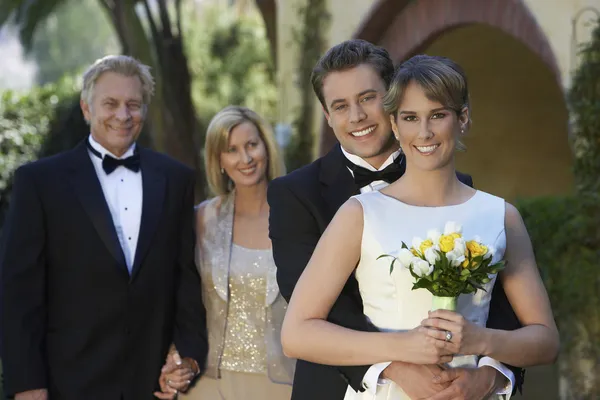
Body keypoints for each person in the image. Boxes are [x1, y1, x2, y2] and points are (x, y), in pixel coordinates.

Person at [280, 54, 560, 399]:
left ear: (463, 119)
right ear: (395, 125)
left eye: (438, 115)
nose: (424, 133)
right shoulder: (358, 214)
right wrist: (404, 347)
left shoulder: (501, 215)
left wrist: (483, 343)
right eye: (410, 118)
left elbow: (546, 341)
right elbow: (296, 334)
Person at [0, 55, 208, 400]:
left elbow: (184, 278)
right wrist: (27, 385)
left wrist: (187, 356)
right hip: (66, 385)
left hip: (152, 386)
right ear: (86, 108)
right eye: (110, 103)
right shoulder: (39, 182)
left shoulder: (176, 179)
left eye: (133, 104)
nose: (122, 115)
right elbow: (18, 295)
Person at [173, 106, 294, 400]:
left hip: (281, 384)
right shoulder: (200, 220)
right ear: (219, 161)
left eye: (252, 145)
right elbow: (177, 300)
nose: (246, 158)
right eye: (232, 150)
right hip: (209, 385)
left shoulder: (298, 218)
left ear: (266, 146)